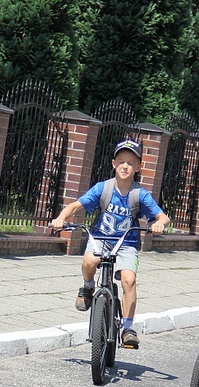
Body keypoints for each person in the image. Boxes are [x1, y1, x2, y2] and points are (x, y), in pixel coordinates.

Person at [50, 139, 170, 348]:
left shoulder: (139, 194)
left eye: (131, 163)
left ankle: (128, 327)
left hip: (126, 243)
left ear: (138, 167)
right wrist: (61, 218)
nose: (125, 166)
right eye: (121, 161)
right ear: (113, 163)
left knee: (128, 279)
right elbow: (75, 206)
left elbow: (163, 217)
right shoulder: (102, 188)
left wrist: (159, 223)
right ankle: (88, 287)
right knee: (89, 260)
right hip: (101, 239)